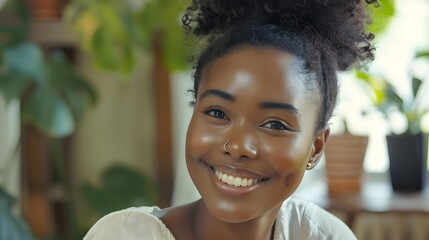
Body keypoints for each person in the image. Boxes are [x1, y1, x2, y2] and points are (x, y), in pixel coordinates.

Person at [84, 0, 375, 239]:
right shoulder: (126, 235)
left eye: (275, 124)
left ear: (316, 147)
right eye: (217, 113)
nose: (238, 146)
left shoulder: (323, 235)